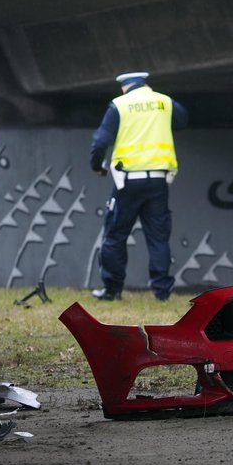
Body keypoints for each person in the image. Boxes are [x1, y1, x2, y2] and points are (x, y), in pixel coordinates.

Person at [89, 71, 188, 301]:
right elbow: (183, 121)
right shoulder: (164, 101)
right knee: (158, 237)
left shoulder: (120, 105)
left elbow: (100, 141)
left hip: (128, 182)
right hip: (158, 181)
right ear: (144, 84)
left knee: (115, 235)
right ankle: (162, 292)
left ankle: (112, 290)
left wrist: (97, 165)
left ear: (124, 87)